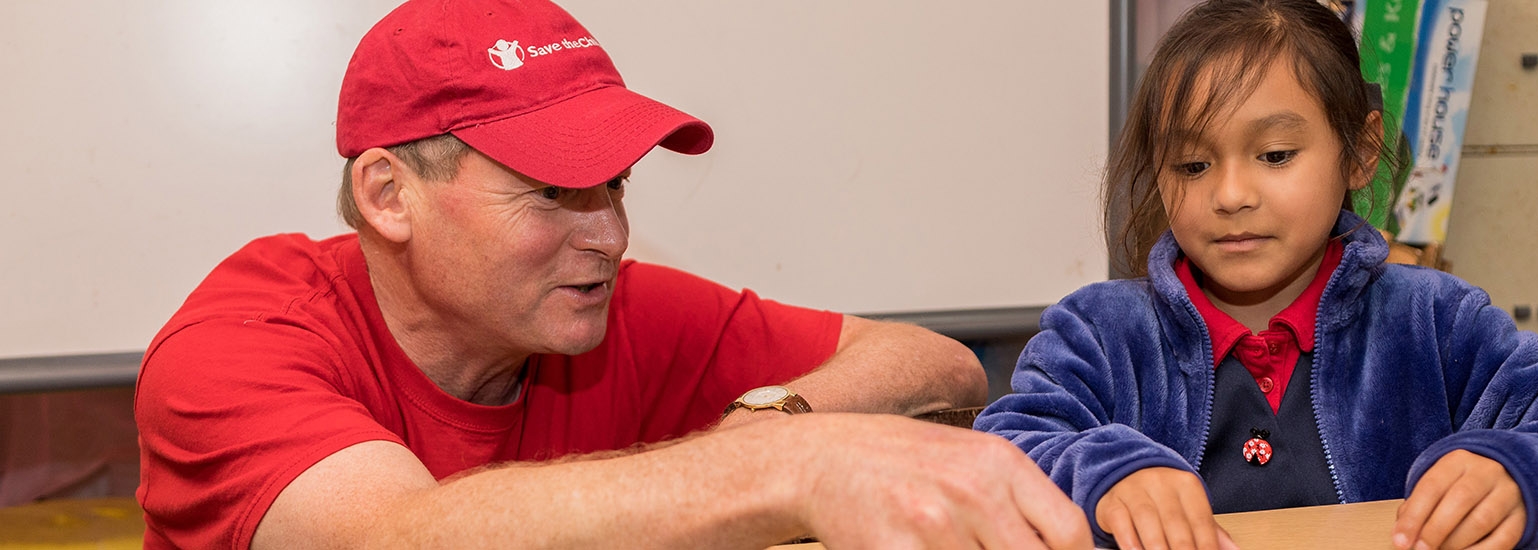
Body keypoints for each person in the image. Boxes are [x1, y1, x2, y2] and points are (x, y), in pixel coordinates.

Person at [133, 1, 1091, 548]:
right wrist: (783, 467)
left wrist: (776, 419)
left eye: (615, 184)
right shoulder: (237, 343)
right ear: (389, 194)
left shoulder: (602, 305)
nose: (610, 235)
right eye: (551, 191)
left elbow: (936, 364)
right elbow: (395, 538)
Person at [974, 1, 1538, 549]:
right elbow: (1000, 451)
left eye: (1276, 155)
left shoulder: (1435, 324)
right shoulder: (1101, 333)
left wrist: (1525, 472)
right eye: (1192, 165)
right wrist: (1110, 472)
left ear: (1358, 153)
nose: (1230, 195)